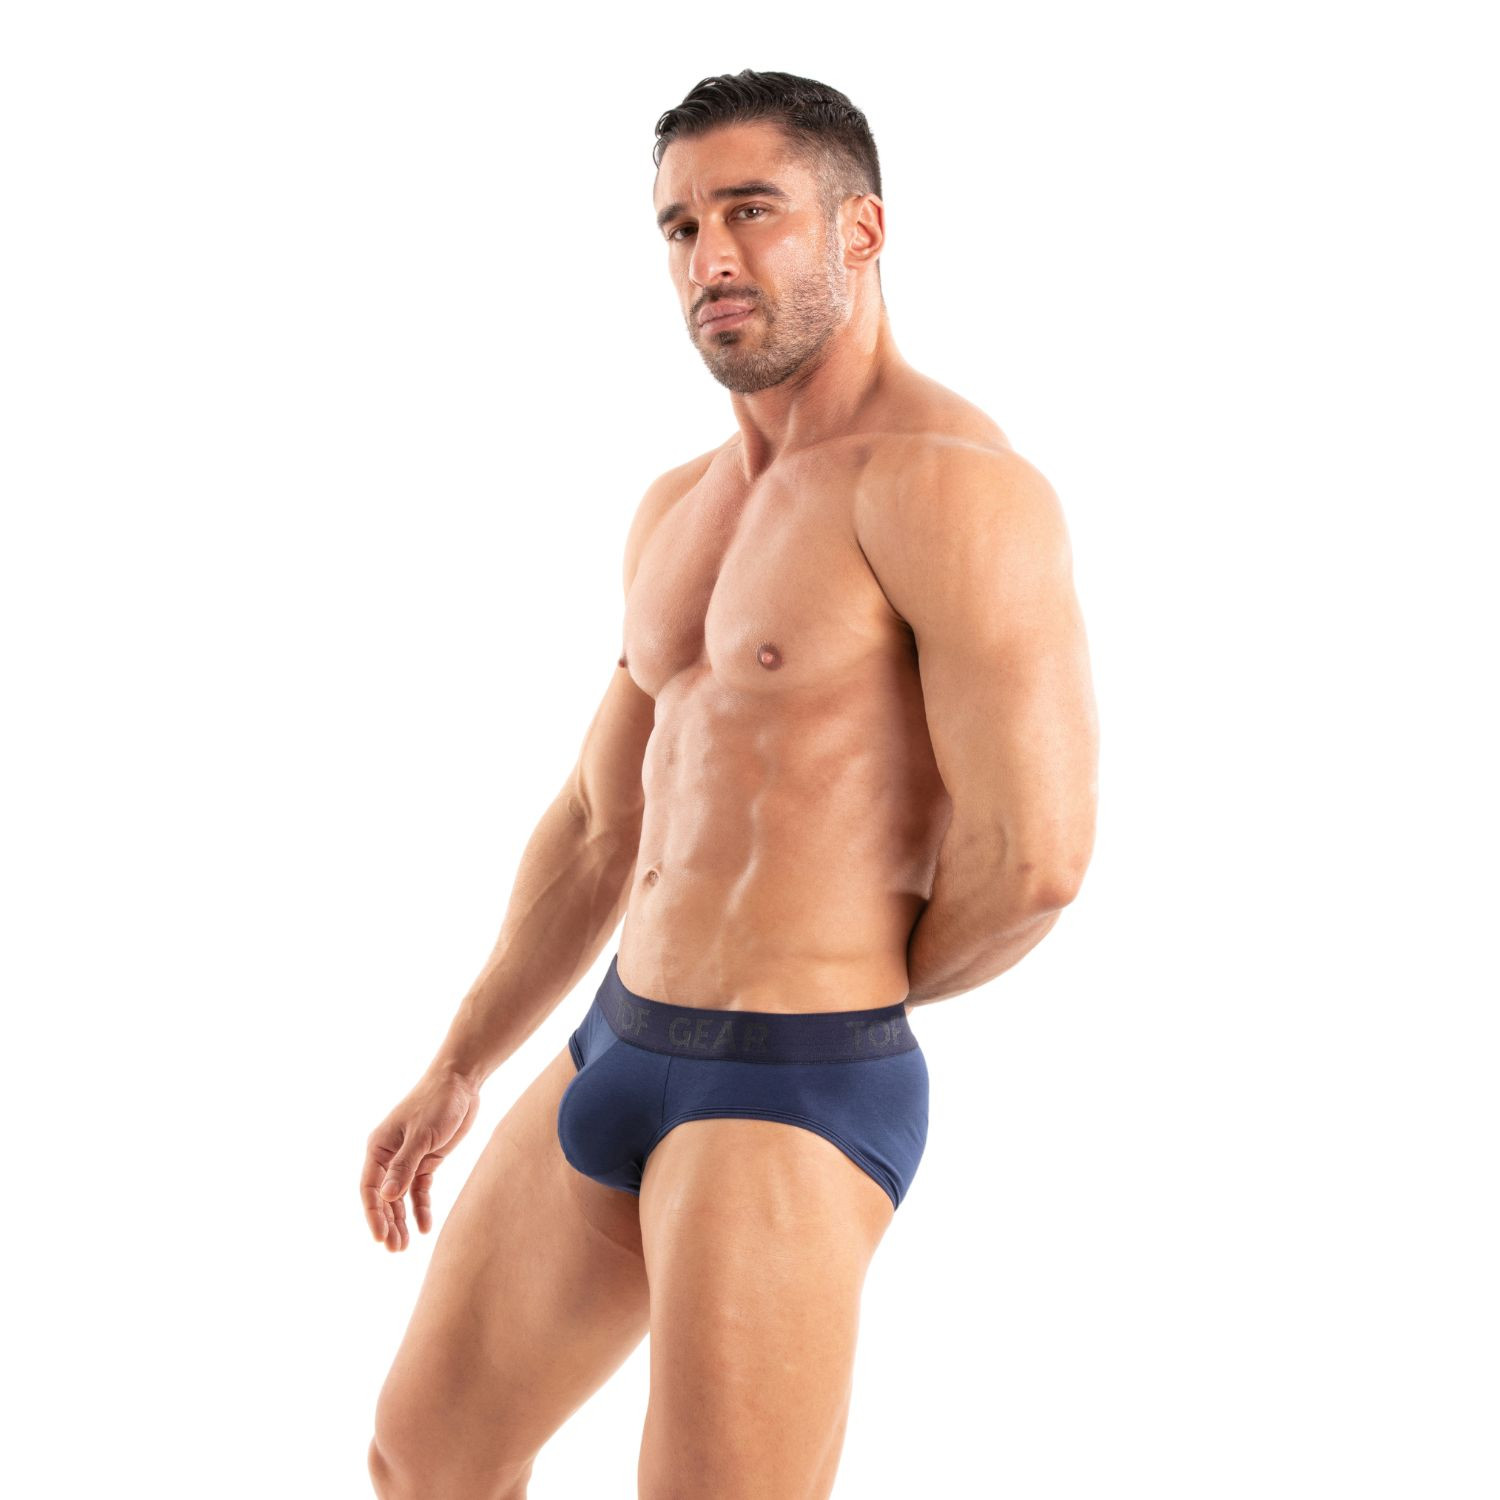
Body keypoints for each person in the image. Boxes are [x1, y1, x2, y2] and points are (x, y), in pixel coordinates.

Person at [361, 68, 1099, 1500]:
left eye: (752, 212)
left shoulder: (952, 487)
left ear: (860, 229)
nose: (711, 257)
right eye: (682, 226)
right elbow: (600, 821)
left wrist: (831, 989)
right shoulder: (676, 508)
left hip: (793, 1085)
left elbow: (1038, 860)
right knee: (425, 1456)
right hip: (616, 1042)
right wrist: (460, 1060)